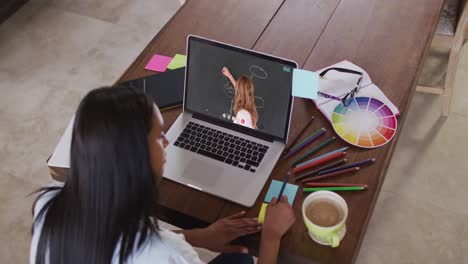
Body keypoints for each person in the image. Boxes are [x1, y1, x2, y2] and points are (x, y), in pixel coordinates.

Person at [30, 87, 295, 264]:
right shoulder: (167, 255)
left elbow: (119, 242)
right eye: (159, 136)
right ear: (136, 158)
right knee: (244, 257)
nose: (167, 142)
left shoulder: (49, 205)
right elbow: (155, 249)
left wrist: (199, 237)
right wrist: (271, 236)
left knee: (238, 258)